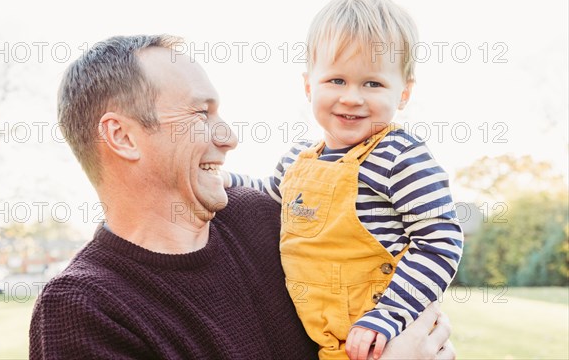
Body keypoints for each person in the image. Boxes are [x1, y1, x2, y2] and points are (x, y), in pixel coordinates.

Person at [29, 34, 455, 359]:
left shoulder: (270, 220)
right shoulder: (84, 309)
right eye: (201, 113)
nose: (230, 137)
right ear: (122, 136)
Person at [225, 0, 464, 360]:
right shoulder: (297, 160)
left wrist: (388, 315)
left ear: (404, 94)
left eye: (373, 84)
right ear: (309, 86)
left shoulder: (400, 155)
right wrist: (227, 181)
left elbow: (439, 238)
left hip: (384, 337)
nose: (352, 98)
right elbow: (268, 195)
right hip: (326, 340)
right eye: (336, 80)